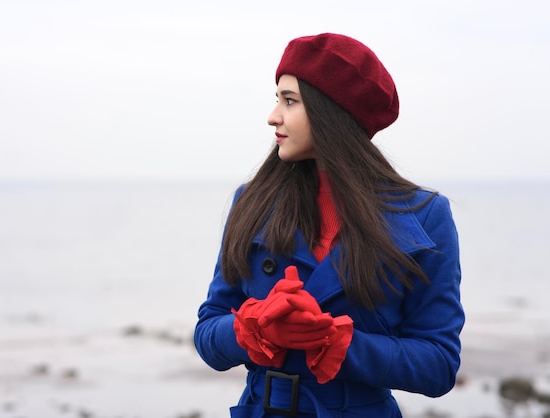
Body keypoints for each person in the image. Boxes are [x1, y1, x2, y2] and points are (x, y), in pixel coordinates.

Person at [194, 33, 464, 417]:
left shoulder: (423, 214)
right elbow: (207, 336)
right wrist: (253, 328)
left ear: (330, 112)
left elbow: (438, 364)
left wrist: (337, 343)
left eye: (289, 101)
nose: (273, 116)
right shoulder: (252, 201)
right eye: (277, 100)